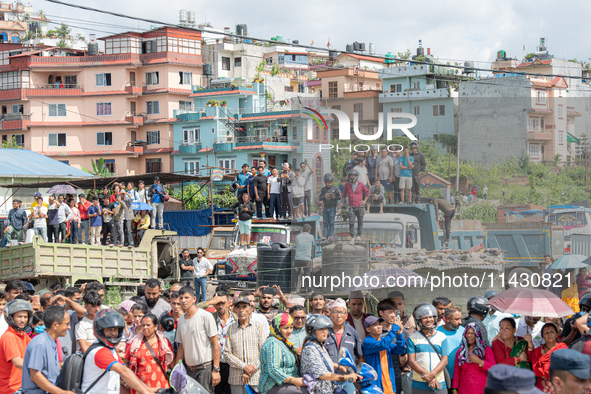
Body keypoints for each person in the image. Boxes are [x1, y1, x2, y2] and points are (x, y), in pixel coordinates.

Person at [82, 308, 157, 394]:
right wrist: (146, 393)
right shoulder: (100, 351)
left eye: (115, 330)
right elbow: (123, 372)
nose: (113, 333)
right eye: (109, 330)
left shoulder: (110, 349)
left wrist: (148, 390)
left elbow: (126, 370)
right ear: (100, 330)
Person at [174, 286, 221, 392]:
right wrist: (177, 370)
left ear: (194, 299)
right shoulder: (181, 319)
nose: (183, 301)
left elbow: (215, 344)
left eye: (186, 297)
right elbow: (181, 347)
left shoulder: (205, 316)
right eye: (181, 298)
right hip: (189, 370)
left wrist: (216, 370)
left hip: (205, 369)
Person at [301, 314, 360, 394]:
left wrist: (339, 367)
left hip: (328, 389)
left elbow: (322, 362)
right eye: (321, 329)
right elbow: (322, 374)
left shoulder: (319, 345)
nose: (325, 331)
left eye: (326, 328)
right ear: (312, 331)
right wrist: (345, 377)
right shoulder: (310, 349)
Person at [22, 306, 74, 394]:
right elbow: (35, 375)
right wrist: (61, 392)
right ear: (55, 325)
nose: (69, 327)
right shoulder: (40, 343)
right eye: (67, 324)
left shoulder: (52, 342)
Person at [224, 295, 267, 394]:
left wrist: (251, 369)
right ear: (234, 310)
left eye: (244, 307)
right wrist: (243, 366)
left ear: (250, 308)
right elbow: (227, 353)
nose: (241, 310)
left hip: (255, 377)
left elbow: (264, 351)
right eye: (238, 307)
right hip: (236, 378)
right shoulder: (231, 328)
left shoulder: (258, 326)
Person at [259, 313, 307, 394]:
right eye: (285, 328)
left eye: (291, 328)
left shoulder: (283, 342)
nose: (289, 331)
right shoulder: (273, 343)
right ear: (277, 328)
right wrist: (294, 381)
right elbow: (273, 370)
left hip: (285, 384)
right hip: (273, 385)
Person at [124, 313, 173, 393]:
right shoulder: (135, 343)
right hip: (140, 387)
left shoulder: (164, 343)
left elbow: (172, 363)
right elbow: (126, 361)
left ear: (156, 327)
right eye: (143, 325)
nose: (145, 328)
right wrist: (129, 378)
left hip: (160, 386)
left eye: (148, 325)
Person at [407, 303, 449, 393]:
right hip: (418, 383)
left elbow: (444, 360)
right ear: (419, 320)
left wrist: (432, 374)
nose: (429, 320)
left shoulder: (442, 337)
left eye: (431, 317)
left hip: (439, 382)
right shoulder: (413, 338)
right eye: (425, 317)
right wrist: (428, 376)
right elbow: (411, 361)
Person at [363, 314, 406, 394]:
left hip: (389, 383)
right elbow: (383, 345)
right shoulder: (367, 342)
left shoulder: (383, 340)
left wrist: (399, 335)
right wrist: (394, 329)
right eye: (375, 325)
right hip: (376, 385)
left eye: (379, 324)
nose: (379, 326)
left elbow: (400, 350)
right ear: (368, 329)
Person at [452, 323, 496, 393]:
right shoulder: (461, 351)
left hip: (481, 389)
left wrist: (480, 362)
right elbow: (457, 371)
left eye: (472, 333)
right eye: (468, 333)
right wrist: (454, 389)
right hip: (464, 389)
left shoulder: (486, 350)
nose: (469, 335)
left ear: (478, 335)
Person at [0, 299, 33, 394]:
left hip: (21, 385)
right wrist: (38, 368)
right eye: (19, 317)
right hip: (10, 389)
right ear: (11, 318)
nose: (23, 320)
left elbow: (34, 348)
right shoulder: (9, 336)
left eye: (25, 317)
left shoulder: (22, 334)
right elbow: (18, 362)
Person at [324, 298, 363, 364]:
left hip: (349, 373)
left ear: (346, 316)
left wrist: (358, 371)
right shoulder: (324, 331)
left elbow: (360, 356)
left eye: (342, 312)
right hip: (329, 373)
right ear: (330, 314)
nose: (338, 316)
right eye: (335, 312)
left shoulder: (352, 332)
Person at [531, 323, 568, 392]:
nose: (549, 334)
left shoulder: (562, 349)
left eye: (552, 332)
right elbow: (536, 370)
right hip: (542, 386)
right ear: (542, 336)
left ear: (556, 334)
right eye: (546, 333)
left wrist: (544, 372)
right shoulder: (537, 351)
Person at [436, 306, 464, 387]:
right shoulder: (437, 333)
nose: (460, 322)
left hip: (460, 377)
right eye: (457, 319)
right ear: (448, 318)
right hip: (441, 377)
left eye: (460, 319)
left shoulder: (464, 331)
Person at [341, 169, 369, 245]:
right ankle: (352, 237)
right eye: (351, 175)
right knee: (351, 222)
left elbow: (367, 192)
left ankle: (359, 235)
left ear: (356, 176)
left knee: (360, 221)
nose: (352, 177)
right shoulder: (347, 184)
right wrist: (342, 202)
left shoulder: (361, 184)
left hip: (359, 206)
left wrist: (364, 201)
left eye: (353, 175)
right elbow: (344, 194)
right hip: (351, 206)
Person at [318, 174, 341, 241]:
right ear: (325, 183)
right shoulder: (323, 190)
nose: (329, 184)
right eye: (328, 183)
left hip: (332, 208)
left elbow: (339, 197)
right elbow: (319, 198)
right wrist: (324, 196)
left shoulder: (335, 189)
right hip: (325, 208)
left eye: (331, 183)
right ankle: (324, 236)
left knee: (331, 222)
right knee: (325, 223)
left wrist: (333, 197)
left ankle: (331, 235)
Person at [293, 224, 315, 291]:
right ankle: (309, 289)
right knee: (307, 274)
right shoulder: (311, 237)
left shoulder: (297, 236)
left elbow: (295, 245)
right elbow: (313, 245)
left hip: (297, 259)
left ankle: (293, 289)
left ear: (302, 230)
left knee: (296, 274)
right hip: (307, 260)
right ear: (309, 230)